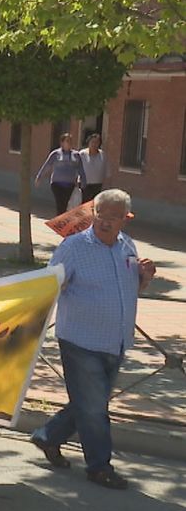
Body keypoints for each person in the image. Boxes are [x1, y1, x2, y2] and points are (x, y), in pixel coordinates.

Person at [30, 190, 155, 490]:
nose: (106, 223)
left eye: (114, 217)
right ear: (92, 213)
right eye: (101, 215)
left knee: (89, 403)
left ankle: (47, 436)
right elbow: (50, 285)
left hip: (116, 341)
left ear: (126, 218)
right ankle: (99, 466)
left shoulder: (128, 246)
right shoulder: (74, 247)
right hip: (80, 340)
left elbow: (130, 290)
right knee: (95, 407)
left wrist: (144, 276)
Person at [34, 133, 87, 217]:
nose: (69, 143)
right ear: (62, 143)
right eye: (67, 141)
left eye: (70, 141)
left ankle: (61, 223)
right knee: (60, 204)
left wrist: (84, 181)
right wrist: (39, 177)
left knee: (65, 204)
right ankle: (59, 223)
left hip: (70, 184)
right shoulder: (55, 154)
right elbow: (47, 165)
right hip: (57, 184)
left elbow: (80, 169)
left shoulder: (76, 155)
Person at [78, 133, 107, 204]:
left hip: (97, 184)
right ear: (89, 142)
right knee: (85, 204)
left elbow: (107, 170)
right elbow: (76, 168)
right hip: (84, 184)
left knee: (95, 204)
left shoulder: (102, 155)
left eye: (97, 142)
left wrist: (107, 185)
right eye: (92, 142)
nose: (94, 144)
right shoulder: (82, 154)